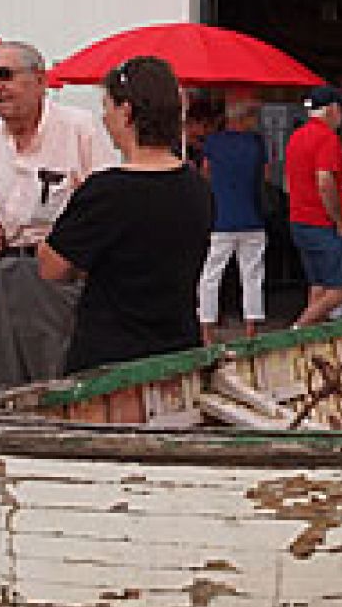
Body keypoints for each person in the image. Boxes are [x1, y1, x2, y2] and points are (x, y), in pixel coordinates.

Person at [39, 56, 212, 372]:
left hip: (112, 358)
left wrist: (71, 209)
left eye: (107, 107)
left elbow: (52, 268)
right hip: (177, 349)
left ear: (127, 111)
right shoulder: (197, 186)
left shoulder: (106, 191)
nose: (104, 119)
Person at [0, 41, 114, 387]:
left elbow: (108, 206)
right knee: (5, 389)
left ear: (39, 80)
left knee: (59, 385)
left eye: (4, 75)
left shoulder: (79, 128)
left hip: (55, 280)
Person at [198, 97, 269, 342]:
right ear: (245, 118)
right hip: (252, 218)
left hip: (221, 218)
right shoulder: (256, 144)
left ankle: (207, 331)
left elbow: (205, 173)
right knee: (252, 276)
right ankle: (251, 329)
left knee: (210, 275)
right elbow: (265, 175)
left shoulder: (213, 142)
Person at [284, 86, 342, 327]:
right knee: (339, 291)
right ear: (332, 109)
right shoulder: (327, 139)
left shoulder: (295, 137)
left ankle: (309, 336)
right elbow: (325, 181)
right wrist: (339, 220)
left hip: (299, 219)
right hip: (322, 222)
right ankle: (297, 330)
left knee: (319, 285)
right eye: (340, 109)